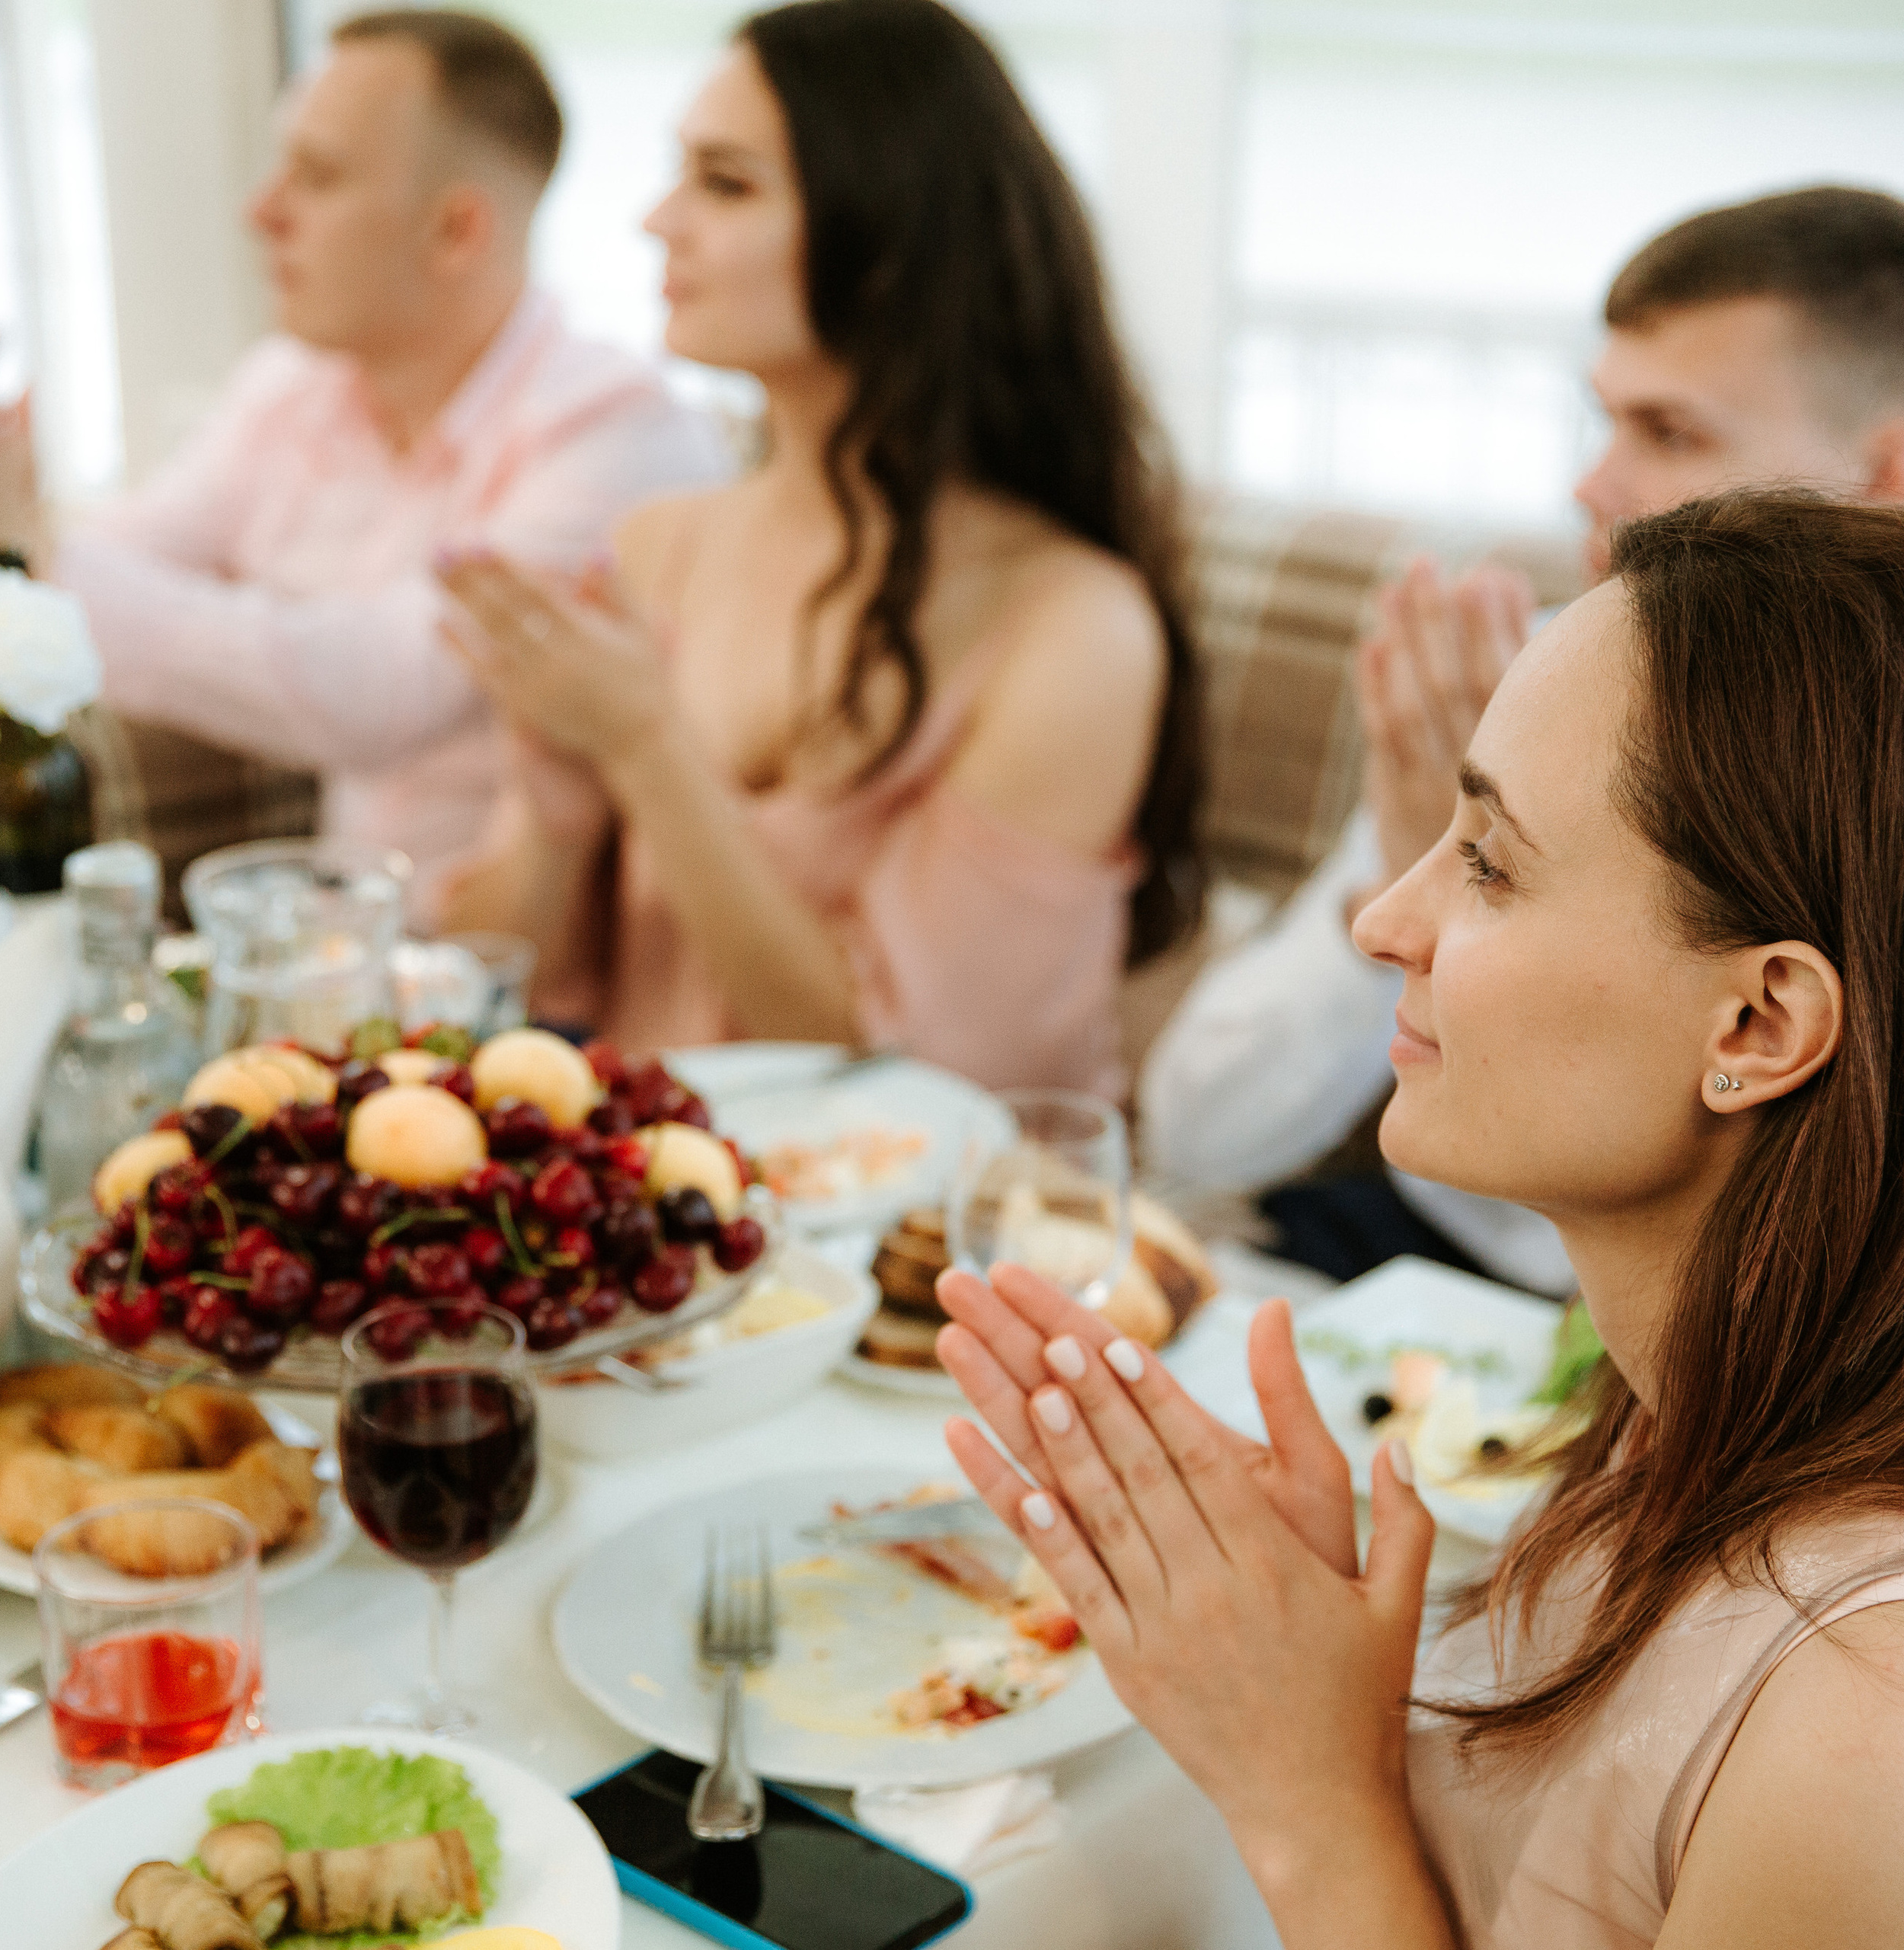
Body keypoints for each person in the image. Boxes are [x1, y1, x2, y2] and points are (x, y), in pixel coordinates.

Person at [940, 491, 1904, 1946]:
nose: (1381, 923)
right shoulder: (1687, 1415)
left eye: (1491, 863)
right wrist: (1312, 1677)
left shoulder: (1857, 1742)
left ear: (1762, 1021)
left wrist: (1310, 1795)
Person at [1141, 187, 1904, 1292]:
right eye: (1607, 418)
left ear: (1883, 473)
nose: (1592, 486)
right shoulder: (1551, 683)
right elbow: (1196, 1135)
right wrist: (1431, 849)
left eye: (1670, 432)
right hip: (1414, 1258)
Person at [432, 0, 1203, 1094]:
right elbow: (493, 992)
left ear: (890, 244)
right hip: (665, 1210)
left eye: (726, 183)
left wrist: (649, 750)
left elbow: (913, 1077)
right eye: (678, 172)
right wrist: (557, 822)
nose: (659, 220)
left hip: (930, 1238)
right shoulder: (658, 548)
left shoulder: (1076, 628)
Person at [0, 9, 725, 922]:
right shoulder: (294, 386)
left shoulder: (614, 427)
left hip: (521, 974)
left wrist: (11, 555)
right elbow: (135, 550)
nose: (262, 210)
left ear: (456, 231)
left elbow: (375, 694)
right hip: (341, 948)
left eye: (315, 176)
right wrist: (4, 538)